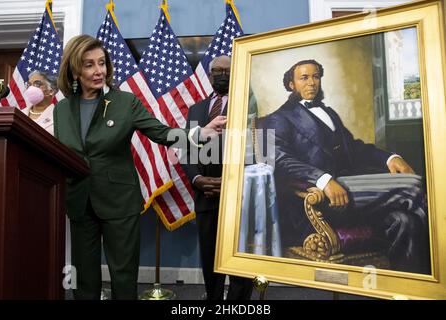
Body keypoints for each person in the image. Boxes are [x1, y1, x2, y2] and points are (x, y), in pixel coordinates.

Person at [54, 34, 225, 300]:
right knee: (84, 276)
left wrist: (199, 133)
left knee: (123, 275)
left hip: (119, 201)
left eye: (102, 63)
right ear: (74, 69)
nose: (99, 71)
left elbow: (162, 133)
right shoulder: (61, 109)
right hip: (79, 200)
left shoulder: (125, 102)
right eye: (89, 64)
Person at [262, 59, 430, 274]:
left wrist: (390, 158)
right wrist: (323, 179)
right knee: (413, 184)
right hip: (320, 201)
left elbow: (354, 148)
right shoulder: (279, 119)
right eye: (304, 78)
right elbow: (279, 159)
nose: (311, 82)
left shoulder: (329, 113)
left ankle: (412, 289)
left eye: (315, 76)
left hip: (353, 194)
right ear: (291, 85)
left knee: (405, 222)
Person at [182, 55, 253, 300]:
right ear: (210, 75)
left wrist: (235, 182)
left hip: (239, 196)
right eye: (217, 71)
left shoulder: (249, 105)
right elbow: (185, 148)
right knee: (210, 258)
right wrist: (197, 179)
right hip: (205, 194)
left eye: (227, 71)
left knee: (240, 262)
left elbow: (261, 150)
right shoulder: (196, 109)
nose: (222, 75)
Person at [22, 70, 57, 135]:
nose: (31, 88)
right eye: (29, 85)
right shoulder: (19, 113)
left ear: (51, 91)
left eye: (37, 84)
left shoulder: (59, 115)